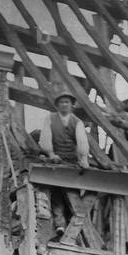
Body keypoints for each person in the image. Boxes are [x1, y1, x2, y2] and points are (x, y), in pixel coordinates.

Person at [38, 90, 90, 237]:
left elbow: (82, 143)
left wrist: (83, 160)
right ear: (57, 105)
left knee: (72, 194)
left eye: (67, 102)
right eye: (61, 102)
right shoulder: (50, 119)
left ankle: (72, 227)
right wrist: (51, 154)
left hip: (72, 162)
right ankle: (59, 224)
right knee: (56, 194)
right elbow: (45, 139)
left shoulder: (77, 122)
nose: (64, 105)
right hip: (56, 160)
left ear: (72, 105)